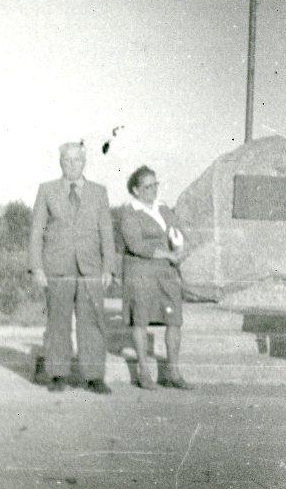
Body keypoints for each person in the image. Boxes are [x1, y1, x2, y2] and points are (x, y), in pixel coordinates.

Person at [29, 141, 116, 394]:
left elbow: (107, 234)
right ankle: (57, 374)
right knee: (58, 321)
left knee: (92, 321)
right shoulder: (47, 191)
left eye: (77, 160)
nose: (72, 164)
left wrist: (109, 267)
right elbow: (36, 232)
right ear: (60, 162)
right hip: (57, 267)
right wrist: (36, 268)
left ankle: (94, 376)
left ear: (84, 162)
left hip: (91, 268)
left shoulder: (99, 192)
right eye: (67, 160)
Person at [120, 165, 191, 390]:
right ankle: (143, 370)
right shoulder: (130, 211)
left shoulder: (164, 209)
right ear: (136, 190)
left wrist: (180, 251)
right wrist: (168, 254)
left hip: (166, 273)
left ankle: (173, 371)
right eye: (147, 186)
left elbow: (177, 233)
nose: (153, 190)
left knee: (174, 320)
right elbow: (136, 244)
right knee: (140, 320)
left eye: (155, 184)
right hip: (140, 273)